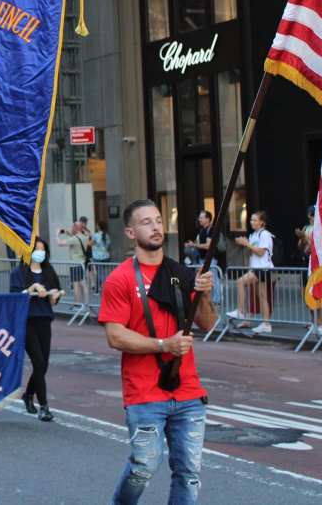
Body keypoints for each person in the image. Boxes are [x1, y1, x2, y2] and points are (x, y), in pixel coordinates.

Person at [98, 200, 216, 504]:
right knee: (143, 467)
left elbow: (207, 323)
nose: (155, 227)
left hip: (188, 391)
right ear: (130, 232)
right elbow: (114, 335)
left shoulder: (181, 274)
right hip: (145, 393)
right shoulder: (120, 279)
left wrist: (204, 295)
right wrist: (164, 345)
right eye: (146, 222)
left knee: (189, 474)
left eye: (159, 221)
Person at [9, 238, 61, 422]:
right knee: (38, 362)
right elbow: (15, 297)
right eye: (37, 249)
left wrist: (54, 296)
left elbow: (56, 294)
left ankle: (29, 394)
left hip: (44, 319)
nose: (40, 253)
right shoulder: (18, 272)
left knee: (43, 364)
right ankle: (44, 407)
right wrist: (31, 288)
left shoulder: (49, 271)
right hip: (27, 321)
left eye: (43, 250)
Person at [228, 211, 275, 335]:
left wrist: (247, 244)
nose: (252, 222)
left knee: (240, 282)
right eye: (251, 220)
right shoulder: (253, 235)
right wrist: (243, 244)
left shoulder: (265, 234)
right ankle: (266, 324)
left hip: (263, 268)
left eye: (255, 220)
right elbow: (252, 253)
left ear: (262, 222)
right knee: (262, 296)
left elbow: (261, 252)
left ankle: (241, 311)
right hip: (256, 268)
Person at [295, 207, 322, 336]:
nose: (314, 217)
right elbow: (302, 247)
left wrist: (305, 238)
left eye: (316, 214)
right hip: (308, 262)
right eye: (312, 214)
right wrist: (302, 238)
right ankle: (316, 321)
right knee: (309, 292)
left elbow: (318, 247)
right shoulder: (306, 228)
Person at [58, 221, 90, 307]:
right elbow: (73, 236)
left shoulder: (74, 239)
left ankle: (76, 304)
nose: (71, 228)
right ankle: (86, 303)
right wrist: (66, 232)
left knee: (76, 285)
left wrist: (57, 235)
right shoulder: (84, 237)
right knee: (83, 283)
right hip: (82, 263)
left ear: (76, 228)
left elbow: (60, 243)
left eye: (73, 227)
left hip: (75, 264)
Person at [92, 221, 112, 291]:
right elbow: (108, 245)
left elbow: (90, 244)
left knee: (100, 273)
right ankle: (97, 288)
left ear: (98, 227)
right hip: (106, 256)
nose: (96, 226)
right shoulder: (106, 235)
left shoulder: (96, 235)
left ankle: (105, 287)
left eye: (97, 225)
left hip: (97, 257)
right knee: (100, 271)